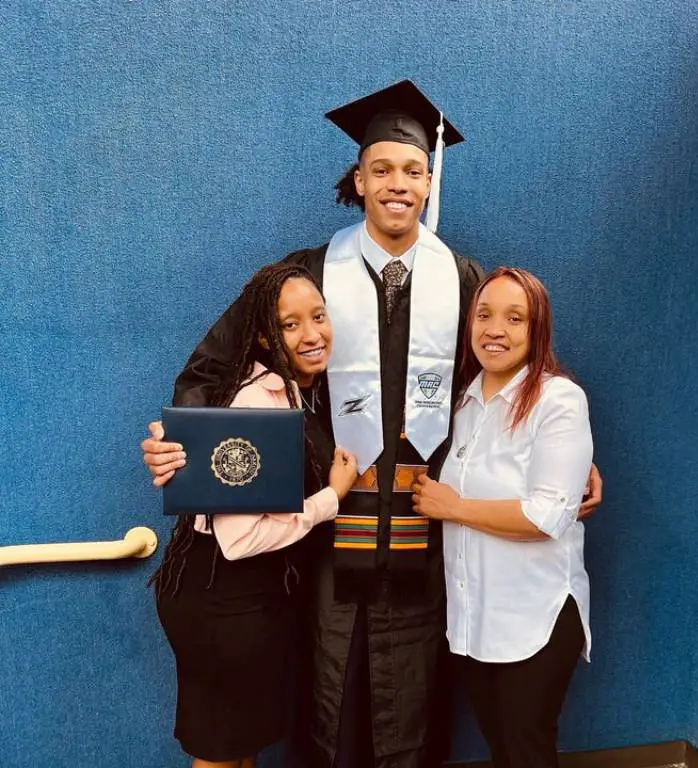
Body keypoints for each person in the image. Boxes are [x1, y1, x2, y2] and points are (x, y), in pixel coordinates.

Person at [143, 81, 602, 768]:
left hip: (427, 529)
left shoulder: (465, 280)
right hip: (325, 528)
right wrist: (183, 448)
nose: (397, 185)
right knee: (330, 687)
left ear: (428, 182)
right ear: (357, 179)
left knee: (413, 695)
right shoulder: (302, 277)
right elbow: (213, 370)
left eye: (413, 171)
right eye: (381, 169)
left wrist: (565, 460)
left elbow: (512, 372)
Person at [147, 263, 358, 768]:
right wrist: (331, 497)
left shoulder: (296, 392)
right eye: (290, 324)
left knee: (241, 748)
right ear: (264, 335)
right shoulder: (256, 402)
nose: (312, 335)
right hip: (222, 600)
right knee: (221, 753)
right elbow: (240, 539)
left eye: (319, 317)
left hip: (252, 601)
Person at [412, 267, 593, 768]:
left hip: (535, 617)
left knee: (525, 751)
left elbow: (548, 515)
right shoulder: (464, 405)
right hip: (477, 619)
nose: (496, 329)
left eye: (516, 318)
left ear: (538, 330)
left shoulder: (558, 400)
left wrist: (454, 508)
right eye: (485, 314)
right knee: (503, 748)